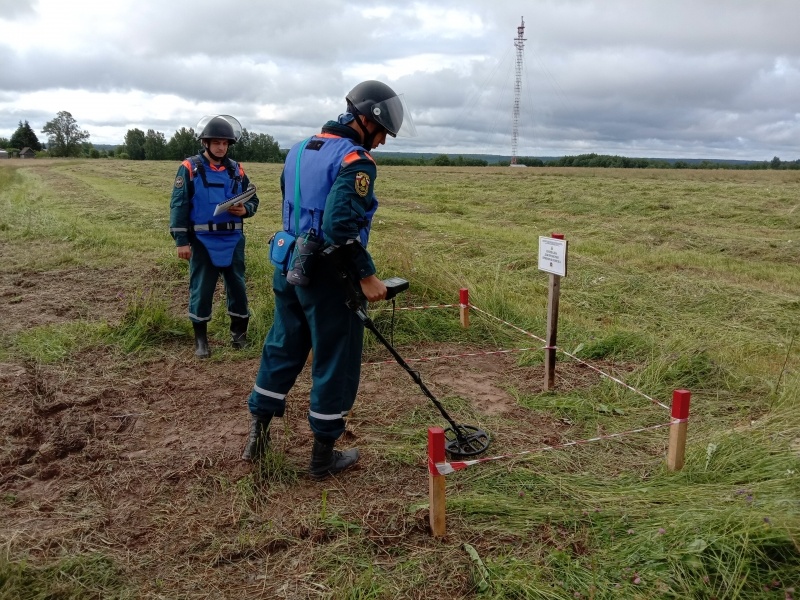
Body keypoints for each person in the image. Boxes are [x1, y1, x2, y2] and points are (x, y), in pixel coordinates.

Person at [242, 80, 416, 480]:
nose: (383, 143)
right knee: (335, 358)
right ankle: (322, 457)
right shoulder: (356, 161)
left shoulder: (300, 149)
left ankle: (258, 436)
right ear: (365, 120)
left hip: (289, 263)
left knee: (282, 346)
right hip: (329, 274)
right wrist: (367, 276)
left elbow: (292, 203)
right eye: (382, 133)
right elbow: (340, 225)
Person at [169, 115, 259, 359]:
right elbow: (179, 205)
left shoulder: (236, 169)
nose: (222, 147)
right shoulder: (189, 167)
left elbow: (252, 198)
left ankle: (239, 335)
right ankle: (201, 340)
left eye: (225, 143)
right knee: (202, 288)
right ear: (205, 142)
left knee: (238, 287)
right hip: (201, 240)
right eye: (217, 142)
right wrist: (181, 241)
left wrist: (245, 209)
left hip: (233, 239)